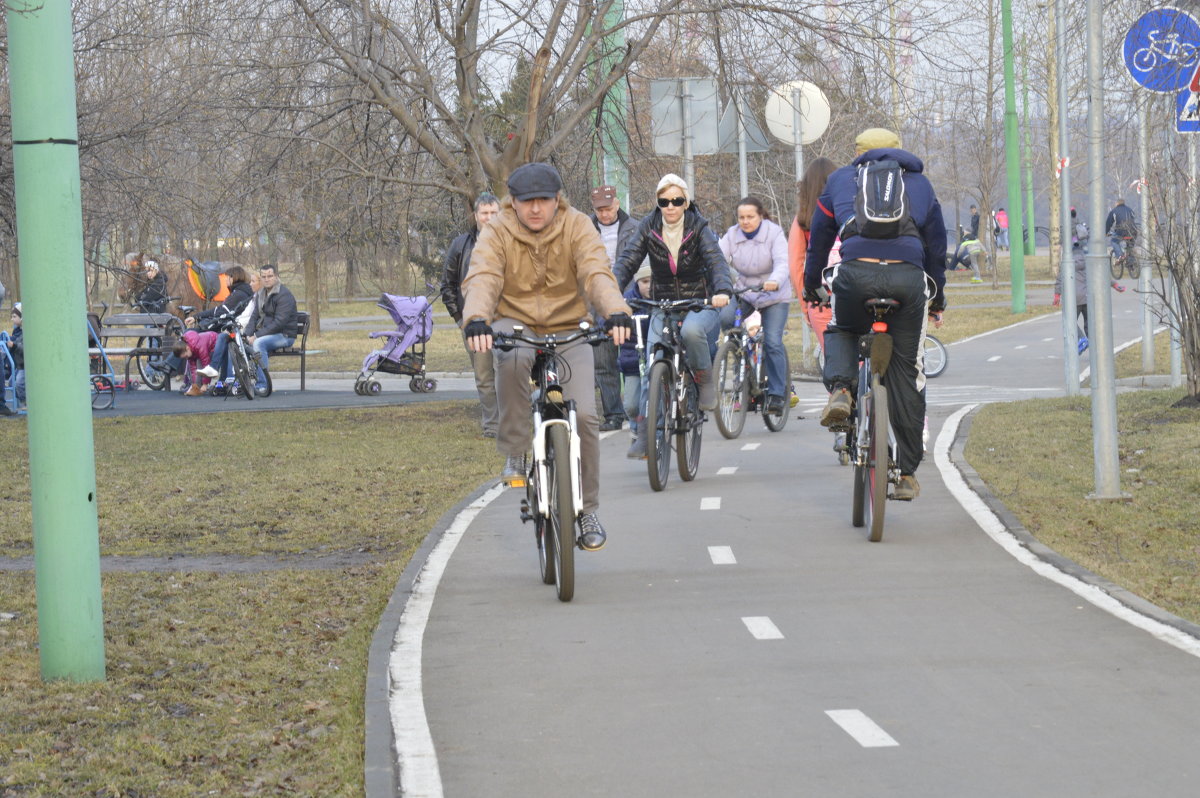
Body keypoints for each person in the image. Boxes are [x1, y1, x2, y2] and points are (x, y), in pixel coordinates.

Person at [460, 162, 632, 551]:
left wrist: (615, 310)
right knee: (513, 359)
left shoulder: (577, 225)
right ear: (513, 203)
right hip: (514, 323)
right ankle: (518, 450)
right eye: (527, 202)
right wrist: (476, 319)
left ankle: (587, 511)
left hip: (570, 326)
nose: (535, 209)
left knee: (586, 415)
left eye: (543, 201)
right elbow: (483, 276)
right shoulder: (498, 230)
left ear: (558, 200)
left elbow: (596, 271)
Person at [803, 127, 947, 501]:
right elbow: (936, 246)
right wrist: (938, 297)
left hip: (856, 276)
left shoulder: (841, 179)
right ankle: (907, 473)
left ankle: (840, 390)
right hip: (908, 282)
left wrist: (811, 283)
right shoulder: (920, 185)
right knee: (908, 372)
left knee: (842, 328)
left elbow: (819, 235)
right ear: (900, 151)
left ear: (858, 152)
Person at [612, 174, 732, 411]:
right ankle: (648, 434)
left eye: (677, 201)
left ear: (686, 203)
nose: (670, 207)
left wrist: (723, 290)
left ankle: (704, 379)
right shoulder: (648, 226)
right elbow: (627, 261)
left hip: (698, 302)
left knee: (692, 331)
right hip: (663, 304)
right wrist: (610, 292)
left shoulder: (698, 227)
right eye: (664, 201)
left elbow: (717, 261)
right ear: (658, 203)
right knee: (653, 360)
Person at [718, 196, 791, 414]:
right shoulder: (731, 235)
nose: (745, 221)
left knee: (772, 342)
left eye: (750, 217)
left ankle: (777, 394)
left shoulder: (774, 233)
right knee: (725, 317)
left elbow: (782, 262)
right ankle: (740, 354)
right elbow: (718, 261)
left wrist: (775, 281)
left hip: (773, 294)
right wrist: (720, 285)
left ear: (760, 216)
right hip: (745, 292)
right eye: (741, 217)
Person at [439, 192, 501, 437]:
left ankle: (514, 422)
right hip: (475, 324)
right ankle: (492, 425)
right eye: (484, 213)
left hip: (508, 321)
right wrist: (460, 320)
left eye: (493, 213)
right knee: (484, 377)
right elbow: (448, 285)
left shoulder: (515, 241)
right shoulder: (461, 245)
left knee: (509, 375)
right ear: (476, 215)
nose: (489, 218)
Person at [589, 184, 641, 432]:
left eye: (608, 208)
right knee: (602, 361)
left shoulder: (636, 228)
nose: (605, 214)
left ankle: (640, 409)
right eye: (599, 210)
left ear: (617, 204)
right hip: (597, 303)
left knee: (633, 357)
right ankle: (613, 413)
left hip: (628, 300)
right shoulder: (585, 230)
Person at [245, 264, 298, 395]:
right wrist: (247, 334)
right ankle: (237, 383)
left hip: (284, 335)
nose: (267, 279)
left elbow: (279, 323)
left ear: (276, 277)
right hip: (267, 333)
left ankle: (263, 385)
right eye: (263, 277)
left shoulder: (284, 295)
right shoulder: (261, 294)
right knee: (237, 342)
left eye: (270, 276)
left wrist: (256, 336)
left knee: (259, 343)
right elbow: (254, 316)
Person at [619, 264, 654, 458]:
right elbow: (609, 316)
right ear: (636, 282)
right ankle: (635, 431)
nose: (649, 286)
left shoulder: (662, 300)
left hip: (655, 361)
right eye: (644, 281)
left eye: (652, 281)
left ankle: (653, 435)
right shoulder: (627, 302)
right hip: (632, 362)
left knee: (651, 400)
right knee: (632, 404)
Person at [171, 330, 219, 396]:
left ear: (187, 348)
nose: (186, 358)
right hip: (206, 349)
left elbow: (206, 365)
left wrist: (205, 384)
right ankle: (196, 387)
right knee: (197, 365)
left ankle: (201, 386)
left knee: (200, 362)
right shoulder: (190, 352)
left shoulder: (199, 346)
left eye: (186, 356)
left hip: (215, 344)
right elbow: (193, 370)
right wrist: (194, 384)